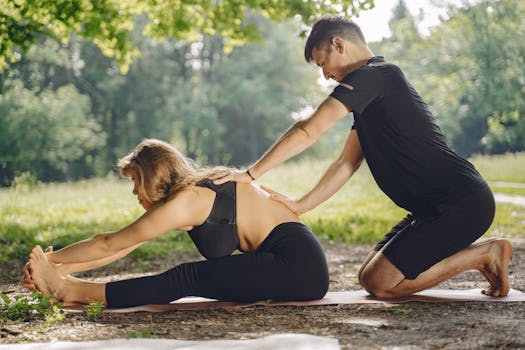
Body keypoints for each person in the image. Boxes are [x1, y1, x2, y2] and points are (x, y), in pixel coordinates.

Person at [212, 16, 512, 299]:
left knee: (382, 284)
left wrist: (250, 174)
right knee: (370, 277)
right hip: (430, 209)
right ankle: (483, 255)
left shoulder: (377, 75)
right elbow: (346, 163)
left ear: (339, 45)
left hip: (461, 203)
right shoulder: (371, 94)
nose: (326, 75)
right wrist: (301, 205)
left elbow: (308, 131)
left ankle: (485, 255)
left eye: (323, 63)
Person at [24, 139, 329, 307]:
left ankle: (73, 292)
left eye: (135, 183)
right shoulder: (194, 191)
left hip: (298, 267)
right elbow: (122, 245)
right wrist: (56, 268)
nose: (134, 193)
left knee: (185, 277)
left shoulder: (186, 202)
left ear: (150, 178)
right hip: (298, 263)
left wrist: (50, 261)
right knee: (188, 276)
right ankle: (68, 286)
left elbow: (110, 242)